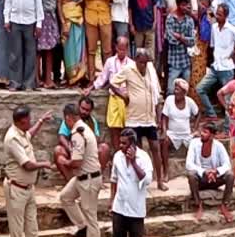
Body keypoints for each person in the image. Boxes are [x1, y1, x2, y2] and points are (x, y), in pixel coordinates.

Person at [3, 106, 53, 237]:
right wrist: (44, 164)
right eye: (28, 121)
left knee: (32, 228)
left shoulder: (22, 133)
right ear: (19, 121)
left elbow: (30, 134)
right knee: (17, 231)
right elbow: (27, 165)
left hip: (29, 188)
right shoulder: (12, 138)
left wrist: (41, 122)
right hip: (15, 189)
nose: (30, 123)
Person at [109, 48, 165, 190]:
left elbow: (157, 94)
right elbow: (113, 83)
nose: (144, 65)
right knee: (137, 151)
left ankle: (159, 180)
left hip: (149, 117)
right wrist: (123, 95)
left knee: (155, 148)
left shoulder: (150, 70)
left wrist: (158, 116)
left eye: (146, 63)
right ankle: (138, 181)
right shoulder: (128, 69)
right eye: (141, 62)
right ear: (136, 60)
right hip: (134, 118)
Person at [57, 103, 103, 237]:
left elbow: (76, 161)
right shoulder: (83, 128)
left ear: (69, 118)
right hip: (82, 177)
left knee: (92, 217)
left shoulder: (78, 134)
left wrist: (64, 162)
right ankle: (82, 226)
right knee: (65, 197)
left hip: (88, 179)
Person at [110, 128, 152, 237]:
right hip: (119, 207)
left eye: (124, 143)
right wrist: (111, 201)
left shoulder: (144, 158)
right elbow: (114, 179)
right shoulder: (117, 157)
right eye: (120, 143)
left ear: (132, 144)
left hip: (136, 209)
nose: (121, 146)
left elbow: (146, 179)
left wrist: (134, 162)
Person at [197, 3, 235, 119]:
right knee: (200, 89)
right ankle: (212, 114)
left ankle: (227, 127)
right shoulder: (214, 27)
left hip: (227, 69)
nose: (218, 16)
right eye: (217, 14)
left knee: (228, 99)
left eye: (220, 15)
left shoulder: (231, 29)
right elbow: (213, 45)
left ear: (226, 16)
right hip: (215, 67)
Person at [84, 35, 135, 153]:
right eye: (119, 49)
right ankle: (118, 153)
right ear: (116, 47)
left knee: (128, 128)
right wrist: (90, 88)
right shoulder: (110, 62)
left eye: (124, 49)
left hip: (127, 99)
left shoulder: (132, 64)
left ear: (127, 49)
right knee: (114, 128)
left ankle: (128, 153)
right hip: (114, 97)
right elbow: (102, 79)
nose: (121, 52)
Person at [4, 0, 43, 91]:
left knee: (30, 53)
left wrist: (39, 23)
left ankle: (29, 83)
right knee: (15, 53)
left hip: (30, 20)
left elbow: (38, 0)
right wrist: (6, 18)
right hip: (15, 18)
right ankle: (15, 82)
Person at [186, 122, 235, 222]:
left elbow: (227, 164)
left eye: (205, 132)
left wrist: (216, 171)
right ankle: (198, 205)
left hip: (214, 179)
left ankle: (224, 206)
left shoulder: (219, 146)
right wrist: (205, 172)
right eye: (202, 131)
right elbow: (189, 164)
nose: (202, 134)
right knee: (191, 174)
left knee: (230, 175)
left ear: (212, 136)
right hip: (201, 180)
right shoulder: (194, 143)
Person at [160, 78, 200, 183]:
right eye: (175, 89)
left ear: (184, 92)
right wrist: (164, 131)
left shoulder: (190, 102)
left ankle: (197, 170)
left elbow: (198, 114)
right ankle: (166, 172)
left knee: (198, 142)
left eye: (178, 90)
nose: (175, 91)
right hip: (172, 134)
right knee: (164, 141)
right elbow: (164, 117)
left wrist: (195, 129)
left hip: (187, 134)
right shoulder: (169, 100)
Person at [81, 0, 113, 82]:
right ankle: (91, 79)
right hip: (91, 16)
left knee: (107, 50)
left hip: (105, 17)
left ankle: (107, 79)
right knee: (91, 50)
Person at [57, 0, 86, 85]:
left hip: (78, 20)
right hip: (67, 20)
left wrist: (79, 2)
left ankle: (79, 77)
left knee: (79, 49)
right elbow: (59, 3)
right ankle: (70, 77)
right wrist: (63, 22)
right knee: (68, 50)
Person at [165, 0, 195, 90]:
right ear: (178, 4)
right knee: (170, 90)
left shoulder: (189, 20)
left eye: (187, 4)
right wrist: (185, 40)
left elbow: (192, 42)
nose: (186, 7)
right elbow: (171, 40)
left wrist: (180, 37)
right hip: (174, 62)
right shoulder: (170, 19)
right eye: (183, 5)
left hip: (186, 61)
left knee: (185, 91)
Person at [35, 0, 58, 89]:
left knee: (49, 48)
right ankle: (37, 79)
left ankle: (48, 79)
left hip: (50, 13)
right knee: (37, 48)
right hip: (39, 14)